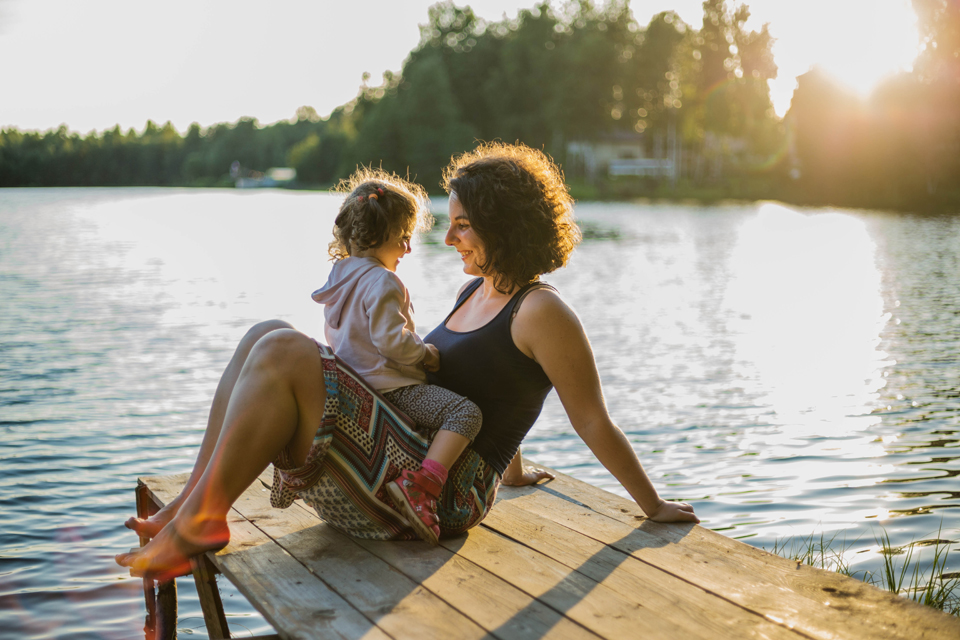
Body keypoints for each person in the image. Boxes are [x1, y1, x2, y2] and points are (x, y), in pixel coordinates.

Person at [116, 142, 698, 582]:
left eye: (463, 226)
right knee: (263, 334)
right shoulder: (477, 293)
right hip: (390, 464)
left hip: (434, 498)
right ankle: (188, 509)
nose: (450, 240)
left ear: (505, 226)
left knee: (283, 348)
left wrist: (653, 505)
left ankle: (202, 520)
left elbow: (590, 418)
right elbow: (491, 388)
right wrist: (517, 471)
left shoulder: (543, 312)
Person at [309, 169, 483, 545]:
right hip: (394, 388)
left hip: (358, 388)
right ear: (376, 237)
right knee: (466, 413)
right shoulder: (383, 281)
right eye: (403, 239)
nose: (407, 250)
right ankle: (423, 486)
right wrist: (427, 356)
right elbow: (391, 342)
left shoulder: (339, 277)